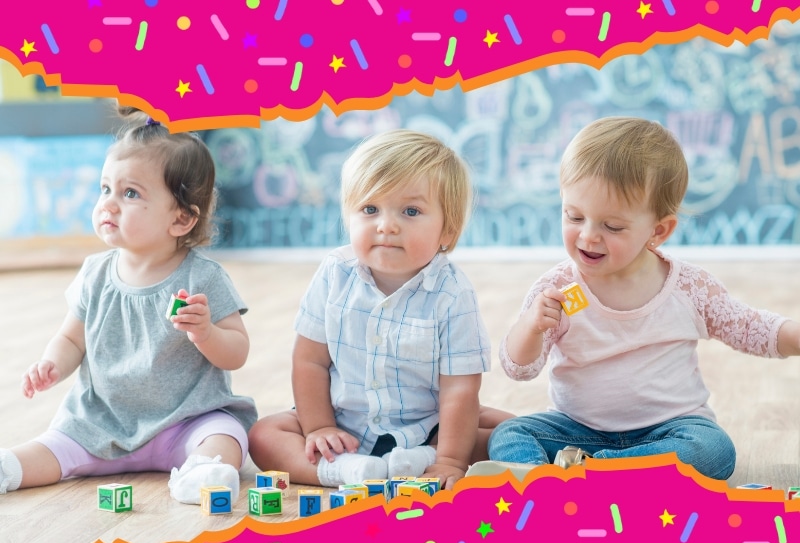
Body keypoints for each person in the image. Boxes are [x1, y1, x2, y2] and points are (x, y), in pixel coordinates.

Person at [482, 116, 800, 480]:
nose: (587, 236)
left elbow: (748, 327)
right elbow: (518, 367)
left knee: (713, 450)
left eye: (612, 226)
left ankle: (588, 475)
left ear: (658, 231)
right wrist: (531, 326)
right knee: (511, 434)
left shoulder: (689, 289)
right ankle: (582, 484)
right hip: (578, 429)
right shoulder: (556, 288)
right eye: (574, 216)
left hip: (669, 429)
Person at [0, 107, 257, 503]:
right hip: (100, 424)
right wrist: (53, 364)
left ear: (181, 220)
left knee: (227, 435)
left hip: (185, 423)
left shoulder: (202, 278)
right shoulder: (94, 273)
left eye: (130, 193)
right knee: (52, 446)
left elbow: (237, 352)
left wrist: (206, 333)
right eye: (105, 189)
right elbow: (72, 339)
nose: (109, 204)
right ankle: (9, 468)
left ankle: (206, 472)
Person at [248, 129, 513, 490]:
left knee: (513, 432)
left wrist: (450, 459)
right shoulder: (335, 274)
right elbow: (309, 361)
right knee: (264, 435)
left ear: (447, 231)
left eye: (411, 211)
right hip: (345, 423)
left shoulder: (452, 294)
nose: (386, 225)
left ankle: (424, 459)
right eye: (370, 209)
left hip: (425, 425)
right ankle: (343, 470)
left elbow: (459, 390)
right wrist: (319, 427)